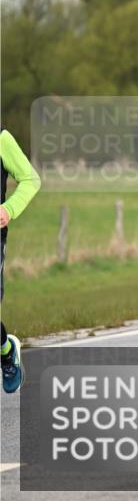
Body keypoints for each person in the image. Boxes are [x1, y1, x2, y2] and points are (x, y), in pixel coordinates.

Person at [0, 129, 41, 393]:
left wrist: (9, 209)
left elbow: (30, 179)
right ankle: (5, 348)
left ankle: (6, 353)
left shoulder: (1, 139)